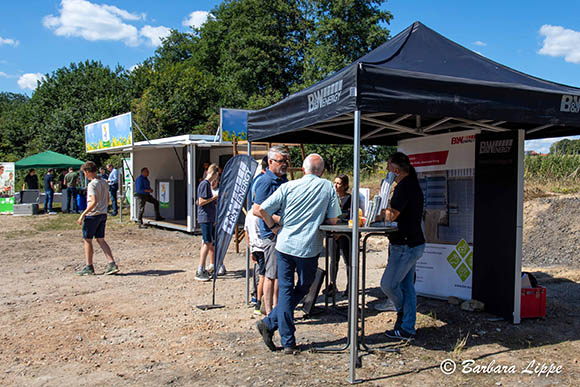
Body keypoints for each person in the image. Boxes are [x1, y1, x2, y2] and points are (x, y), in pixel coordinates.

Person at [254, 153, 341, 354]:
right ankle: (279, 333)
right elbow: (334, 221)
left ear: (303, 170)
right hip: (308, 247)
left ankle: (277, 330)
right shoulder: (327, 187)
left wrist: (274, 227)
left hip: (284, 245)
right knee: (303, 286)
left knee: (285, 290)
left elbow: (261, 209)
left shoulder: (288, 186)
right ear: (323, 172)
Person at [379, 152, 425, 341]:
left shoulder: (404, 187)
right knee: (407, 286)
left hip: (405, 245)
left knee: (388, 285)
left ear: (396, 170)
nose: (387, 170)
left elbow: (391, 215)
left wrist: (380, 206)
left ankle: (403, 315)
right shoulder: (410, 184)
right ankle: (407, 328)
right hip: (411, 243)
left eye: (389, 167)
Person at [252, 145, 289, 315]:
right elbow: (257, 209)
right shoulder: (265, 181)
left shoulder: (283, 180)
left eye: (286, 161)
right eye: (281, 161)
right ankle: (268, 311)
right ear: (271, 162)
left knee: (280, 275)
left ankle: (276, 308)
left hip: (282, 234)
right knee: (270, 274)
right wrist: (276, 223)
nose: (285, 164)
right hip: (271, 235)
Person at [76, 161, 119, 276]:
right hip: (103, 214)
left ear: (88, 172)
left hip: (93, 215)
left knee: (87, 240)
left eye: (84, 172)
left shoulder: (92, 184)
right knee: (101, 239)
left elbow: (93, 201)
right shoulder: (104, 182)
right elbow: (108, 199)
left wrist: (83, 214)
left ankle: (89, 266)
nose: (84, 175)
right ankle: (112, 263)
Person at [325, 174, 352, 298]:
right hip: (332, 233)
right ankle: (332, 284)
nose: (336, 185)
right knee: (333, 260)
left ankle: (350, 285)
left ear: (345, 185)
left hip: (345, 234)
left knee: (348, 260)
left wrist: (342, 232)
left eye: (339, 183)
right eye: (334, 182)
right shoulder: (330, 198)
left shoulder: (350, 199)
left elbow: (351, 217)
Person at [195, 164, 219, 281]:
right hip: (205, 217)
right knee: (207, 243)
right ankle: (200, 268)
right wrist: (214, 198)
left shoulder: (206, 185)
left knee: (208, 242)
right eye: (216, 176)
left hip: (208, 217)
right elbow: (201, 202)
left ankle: (203, 268)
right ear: (214, 173)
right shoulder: (204, 184)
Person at [244, 206, 266, 315]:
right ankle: (259, 302)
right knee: (263, 277)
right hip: (263, 247)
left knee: (259, 275)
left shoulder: (249, 213)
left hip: (255, 247)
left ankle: (256, 297)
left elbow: (246, 232)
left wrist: (251, 249)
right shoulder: (261, 213)